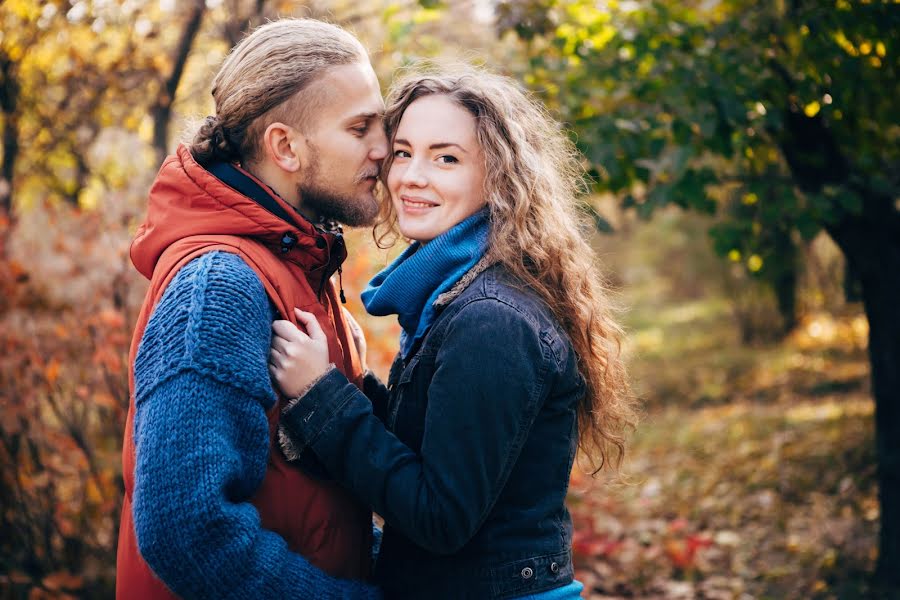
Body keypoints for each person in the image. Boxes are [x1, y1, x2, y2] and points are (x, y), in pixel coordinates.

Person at [268, 66, 637, 599]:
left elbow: (439, 517)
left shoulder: (491, 321)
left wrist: (321, 398)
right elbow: (429, 446)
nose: (412, 176)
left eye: (446, 158)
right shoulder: (457, 294)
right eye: (403, 152)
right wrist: (339, 381)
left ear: (498, 178)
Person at [116, 19, 387, 599]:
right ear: (285, 146)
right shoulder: (220, 285)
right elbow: (184, 531)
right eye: (360, 127)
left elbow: (311, 502)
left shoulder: (298, 259)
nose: (383, 149)